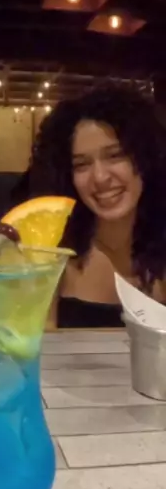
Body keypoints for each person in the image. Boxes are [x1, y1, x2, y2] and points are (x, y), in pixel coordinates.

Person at [29, 84, 166, 328]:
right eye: (81, 165)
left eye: (115, 155)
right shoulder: (53, 257)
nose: (100, 178)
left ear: (147, 158)